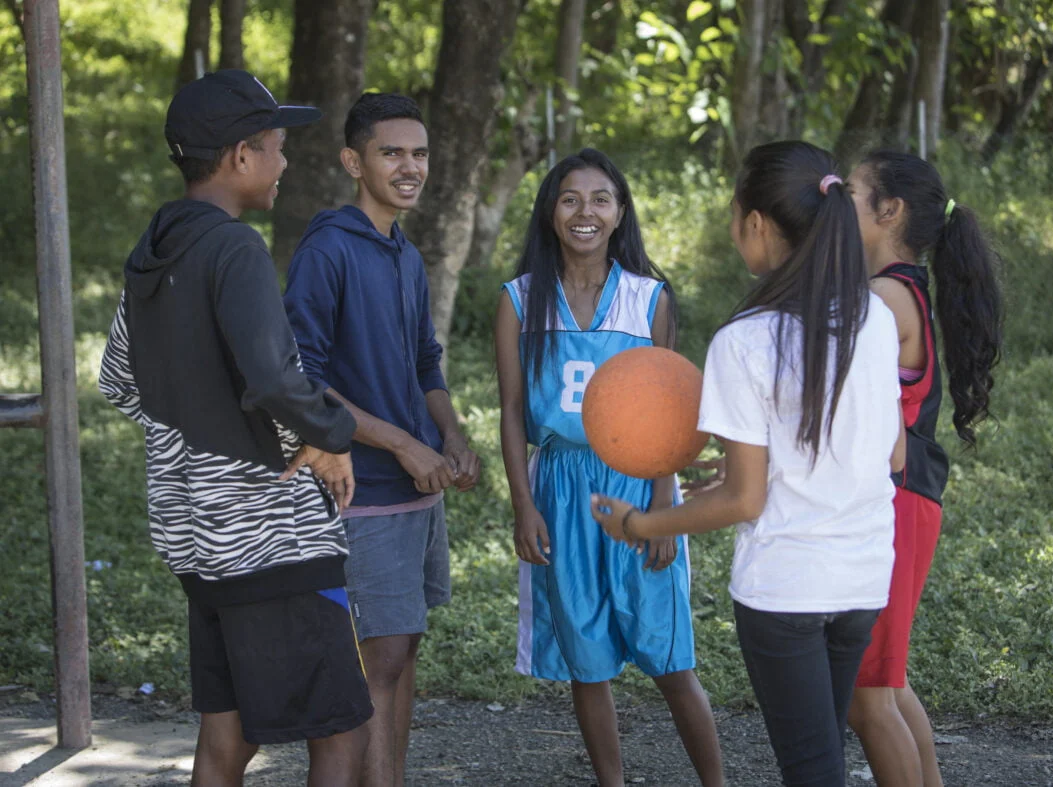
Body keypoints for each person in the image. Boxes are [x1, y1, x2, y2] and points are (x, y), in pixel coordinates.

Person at [592, 140, 906, 787]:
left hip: (786, 587)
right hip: (864, 575)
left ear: (757, 223)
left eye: (736, 214)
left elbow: (745, 500)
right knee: (823, 758)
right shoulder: (872, 315)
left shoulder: (744, 340)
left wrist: (639, 525)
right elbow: (889, 449)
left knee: (811, 766)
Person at [97, 69, 371, 787]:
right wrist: (328, 434)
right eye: (278, 147)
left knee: (229, 731)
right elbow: (277, 380)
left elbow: (118, 379)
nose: (284, 164)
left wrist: (198, 441)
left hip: (194, 530)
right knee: (341, 725)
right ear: (241, 155)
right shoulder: (235, 249)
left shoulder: (151, 255)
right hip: (270, 535)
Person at [494, 149, 724, 787]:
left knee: (669, 655)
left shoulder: (649, 298)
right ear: (549, 212)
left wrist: (664, 507)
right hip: (560, 487)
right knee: (586, 662)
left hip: (637, 480)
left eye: (600, 199)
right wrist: (523, 503)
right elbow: (512, 411)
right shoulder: (519, 301)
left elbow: (671, 410)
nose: (585, 212)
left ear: (620, 213)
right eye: (570, 198)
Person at [283, 92, 480, 787]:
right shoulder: (328, 248)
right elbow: (299, 378)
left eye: (419, 153)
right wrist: (401, 443)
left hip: (417, 493)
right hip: (361, 490)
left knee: (399, 658)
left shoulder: (405, 253)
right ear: (353, 161)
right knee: (374, 667)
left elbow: (426, 362)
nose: (410, 166)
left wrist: (450, 434)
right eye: (391, 152)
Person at [844, 150, 1002, 787]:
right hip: (906, 500)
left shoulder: (884, 297)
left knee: (868, 697)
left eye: (850, 191)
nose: (838, 200)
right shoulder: (898, 288)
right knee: (887, 683)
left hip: (898, 501)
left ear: (889, 211)